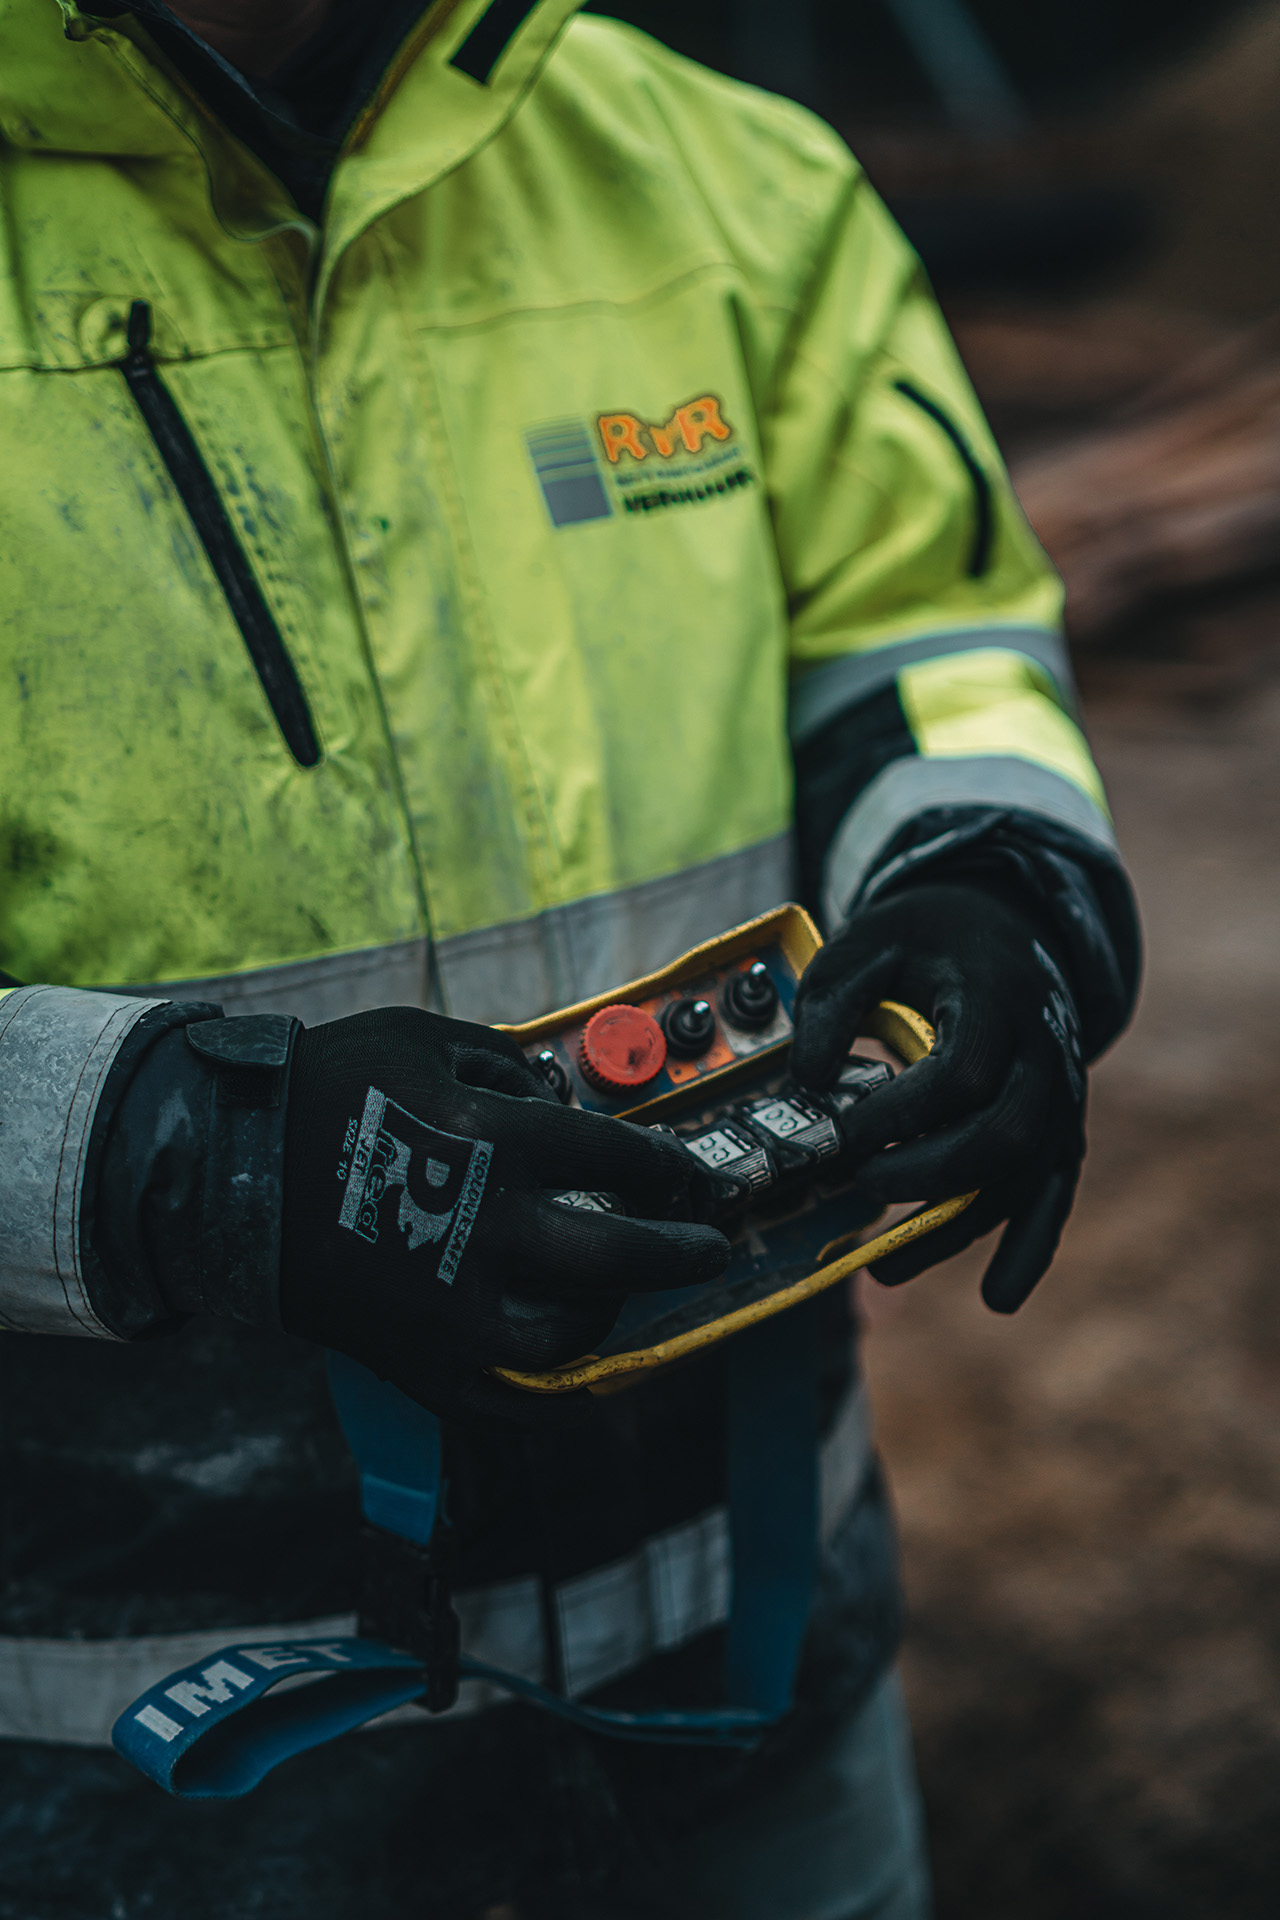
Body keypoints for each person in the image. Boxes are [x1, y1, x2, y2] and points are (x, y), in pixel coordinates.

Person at [0, 1, 1139, 1913]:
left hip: (749, 1655)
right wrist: (171, 1153)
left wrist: (1000, 882)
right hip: (131, 1785)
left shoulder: (729, 180)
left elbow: (923, 640)